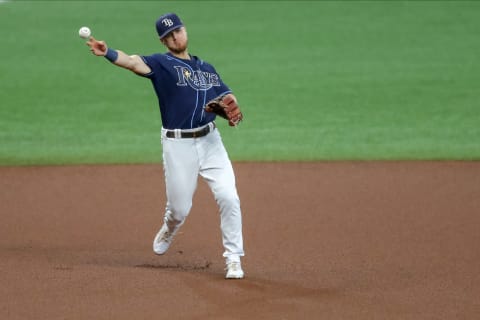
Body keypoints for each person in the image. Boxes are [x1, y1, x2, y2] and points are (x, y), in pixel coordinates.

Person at [85, 13, 245, 279]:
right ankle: (170, 226)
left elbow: (226, 94)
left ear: (184, 31)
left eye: (177, 31)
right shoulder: (162, 64)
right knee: (180, 208)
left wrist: (229, 103)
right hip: (177, 145)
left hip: (210, 141)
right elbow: (134, 62)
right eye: (168, 36)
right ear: (163, 41)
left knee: (229, 197)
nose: (174, 37)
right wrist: (109, 53)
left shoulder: (207, 68)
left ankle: (233, 258)